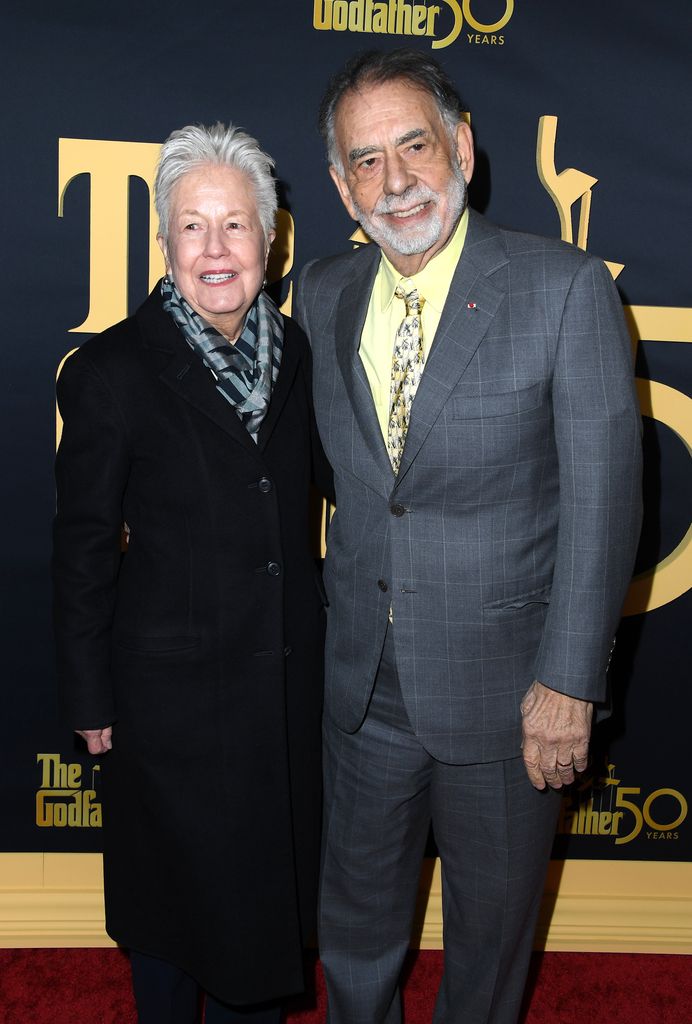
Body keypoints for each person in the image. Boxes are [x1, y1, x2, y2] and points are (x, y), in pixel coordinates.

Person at [295, 50, 643, 1024]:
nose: (395, 180)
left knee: (487, 940)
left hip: (507, 692)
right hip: (360, 685)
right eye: (365, 160)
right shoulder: (321, 294)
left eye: (414, 145)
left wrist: (568, 683)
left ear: (462, 146)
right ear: (338, 184)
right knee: (353, 925)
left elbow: (604, 502)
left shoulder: (561, 289)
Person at [53, 122, 331, 1024]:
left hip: (282, 690)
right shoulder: (112, 372)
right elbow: (85, 544)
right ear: (165, 243)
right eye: (193, 227)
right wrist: (91, 697)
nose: (216, 250)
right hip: (166, 704)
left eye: (236, 225)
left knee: (262, 917)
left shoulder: (302, 358)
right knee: (172, 926)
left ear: (271, 238)